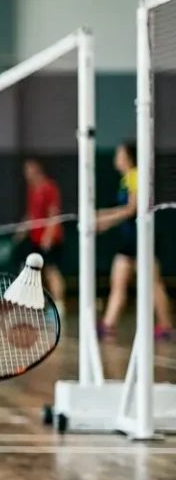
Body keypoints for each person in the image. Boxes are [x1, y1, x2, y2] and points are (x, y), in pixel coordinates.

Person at [97, 140, 172, 338]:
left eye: (119, 154)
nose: (116, 158)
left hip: (142, 238)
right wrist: (104, 220)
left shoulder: (135, 176)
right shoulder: (126, 179)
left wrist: (103, 217)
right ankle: (108, 324)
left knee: (152, 283)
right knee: (118, 282)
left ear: (128, 157)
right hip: (129, 240)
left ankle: (166, 326)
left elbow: (132, 209)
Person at [15, 158, 65, 308]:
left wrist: (48, 236)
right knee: (32, 273)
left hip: (50, 239)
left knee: (51, 272)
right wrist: (20, 231)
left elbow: (54, 213)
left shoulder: (49, 188)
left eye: (29, 170)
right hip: (35, 239)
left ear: (37, 169)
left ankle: (60, 306)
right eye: (25, 171)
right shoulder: (31, 190)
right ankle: (34, 305)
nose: (27, 174)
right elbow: (32, 215)